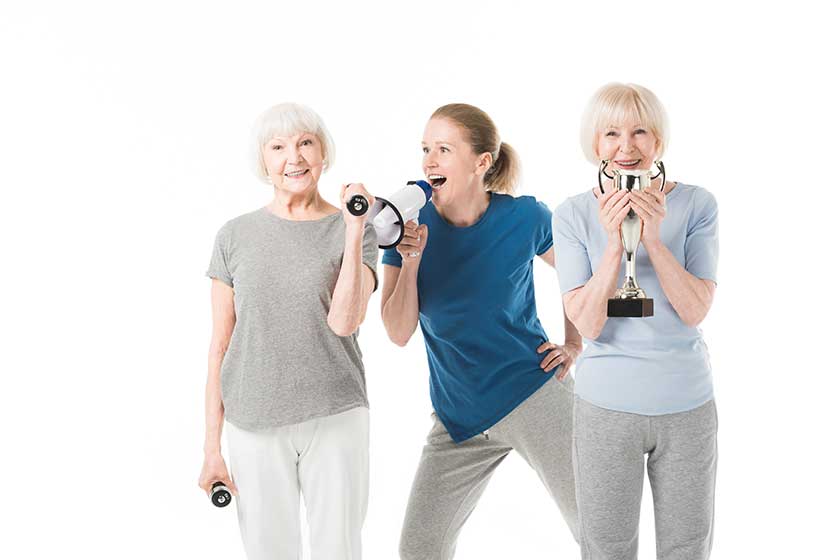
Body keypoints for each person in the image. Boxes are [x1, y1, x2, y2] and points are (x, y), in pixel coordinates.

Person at [381, 103, 580, 560]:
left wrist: (574, 342)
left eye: (444, 149)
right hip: (459, 418)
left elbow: (577, 270)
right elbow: (396, 331)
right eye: (426, 149)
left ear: (482, 161)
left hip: (530, 393)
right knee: (419, 549)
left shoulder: (525, 216)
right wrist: (411, 257)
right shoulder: (405, 227)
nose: (429, 161)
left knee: (597, 526)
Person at [198, 102, 378, 560]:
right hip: (254, 419)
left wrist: (355, 231)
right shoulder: (234, 236)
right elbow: (220, 345)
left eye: (304, 143)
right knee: (268, 551)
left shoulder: (355, 227)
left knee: (339, 549)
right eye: (277, 147)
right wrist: (211, 449)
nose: (292, 158)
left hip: (335, 414)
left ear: (323, 153)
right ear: (263, 160)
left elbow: (345, 321)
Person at [552, 83, 719, 560]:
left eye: (640, 131)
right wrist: (612, 245)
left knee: (687, 548)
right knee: (606, 549)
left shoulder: (696, 205)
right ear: (595, 143)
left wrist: (654, 239)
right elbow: (587, 325)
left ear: (658, 141)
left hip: (686, 406)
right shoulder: (571, 215)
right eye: (611, 133)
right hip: (606, 409)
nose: (626, 146)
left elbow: (695, 310)